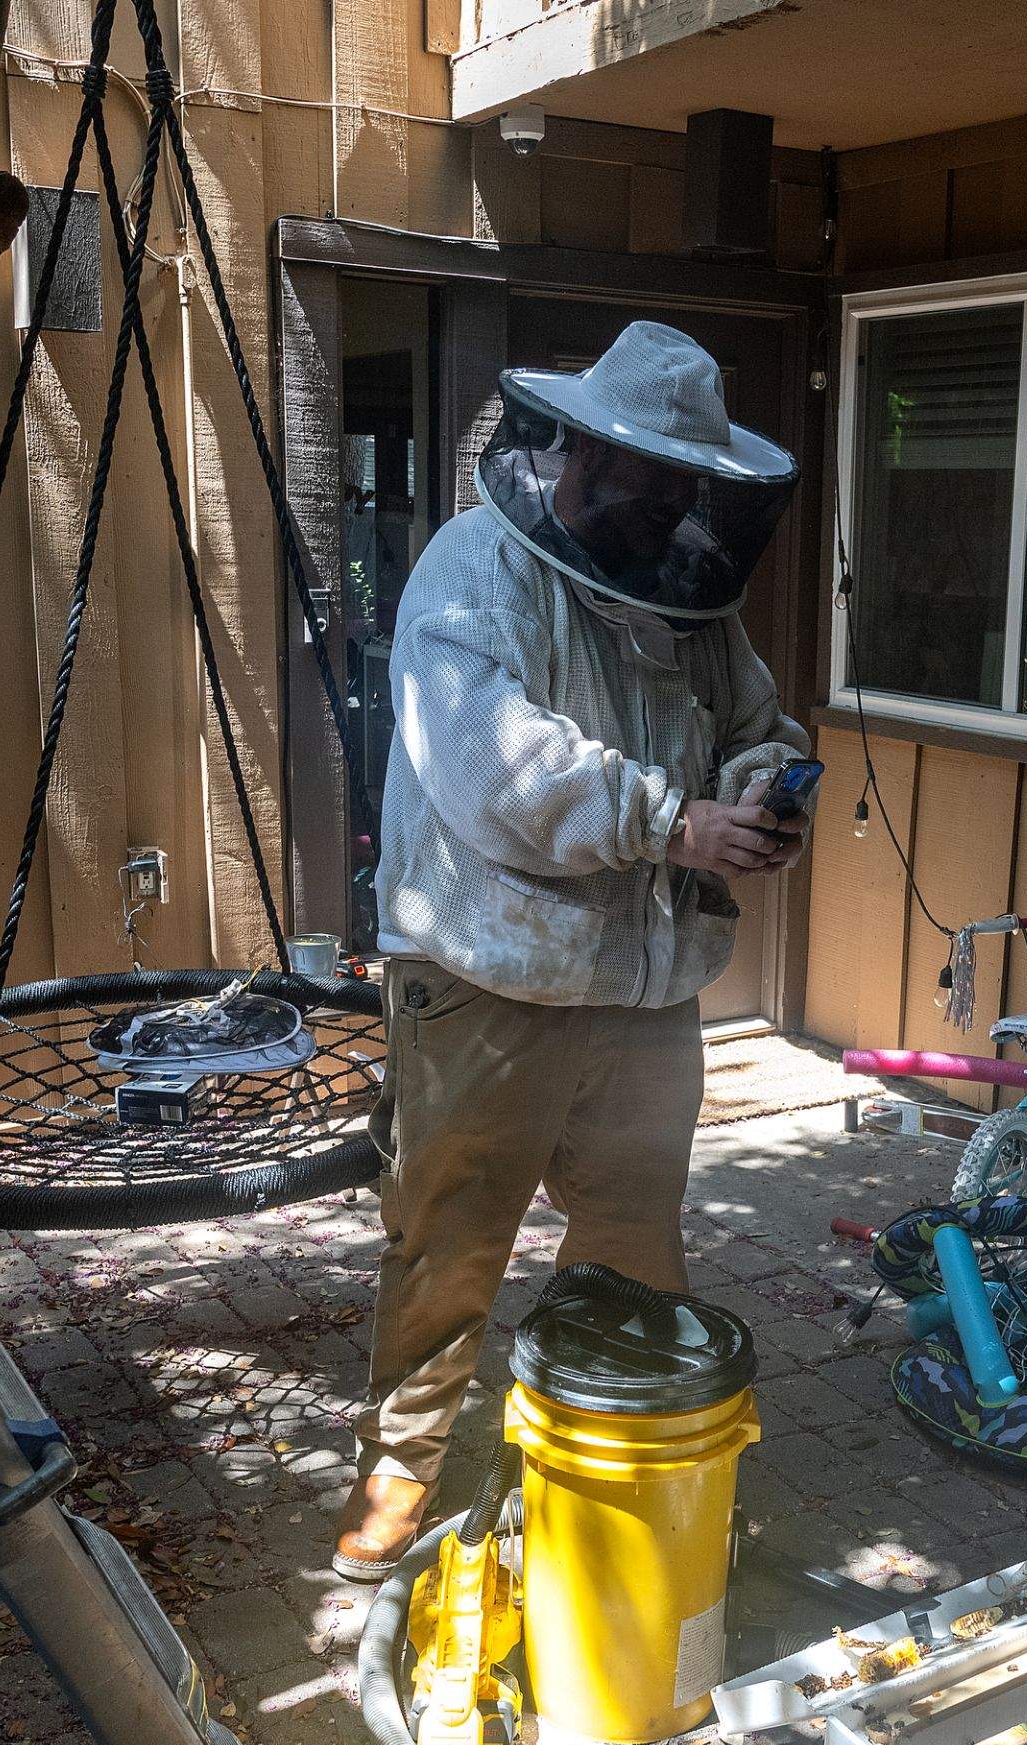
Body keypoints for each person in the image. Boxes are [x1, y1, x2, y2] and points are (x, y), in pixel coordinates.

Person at [331, 321, 812, 1583]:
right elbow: (499, 772)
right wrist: (675, 822)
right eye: (649, 487)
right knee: (450, 1247)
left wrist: (765, 788)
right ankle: (398, 1474)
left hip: (645, 996)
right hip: (489, 985)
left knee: (635, 1239)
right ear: (583, 456)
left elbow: (758, 720)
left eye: (683, 491)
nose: (668, 511)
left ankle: (615, 1475)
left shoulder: (689, 587)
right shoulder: (471, 574)